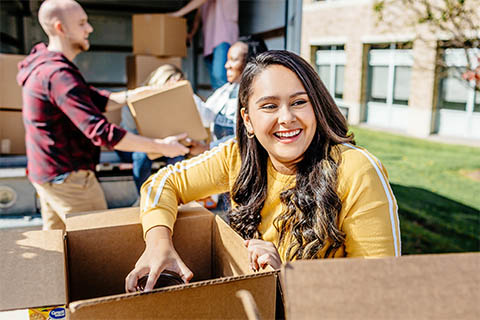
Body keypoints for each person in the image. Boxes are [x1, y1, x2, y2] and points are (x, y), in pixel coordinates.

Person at [125, 50, 401, 292]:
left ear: (316, 107)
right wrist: (159, 244)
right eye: (269, 106)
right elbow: (162, 183)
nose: (287, 118)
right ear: (247, 119)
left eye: (299, 102)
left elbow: (379, 286)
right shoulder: (236, 156)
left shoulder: (357, 170)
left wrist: (286, 277)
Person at [16, 0, 191, 230]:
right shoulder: (57, 74)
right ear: (61, 28)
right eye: (82, 23)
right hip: (70, 181)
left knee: (58, 248)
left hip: (48, 176)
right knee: (97, 246)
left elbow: (96, 100)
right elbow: (101, 133)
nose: (89, 28)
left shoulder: (45, 64)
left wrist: (138, 94)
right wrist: (161, 146)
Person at [118, 64, 212, 193]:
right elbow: (130, 134)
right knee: (141, 154)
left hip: (165, 147)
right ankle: (143, 196)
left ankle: (172, 195)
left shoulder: (180, 103)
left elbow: (207, 119)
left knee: (179, 154)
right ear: (161, 81)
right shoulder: (138, 98)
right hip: (134, 147)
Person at [204, 36, 268, 147]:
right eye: (227, 59)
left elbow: (246, 139)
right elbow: (205, 115)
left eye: (233, 60)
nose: (226, 65)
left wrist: (208, 148)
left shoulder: (262, 96)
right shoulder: (225, 91)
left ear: (252, 62)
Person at [170, 0, 239, 90]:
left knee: (220, 79)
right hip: (210, 41)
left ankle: (229, 103)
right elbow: (198, 16)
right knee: (216, 82)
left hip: (224, 38)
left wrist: (178, 14)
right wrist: (192, 33)